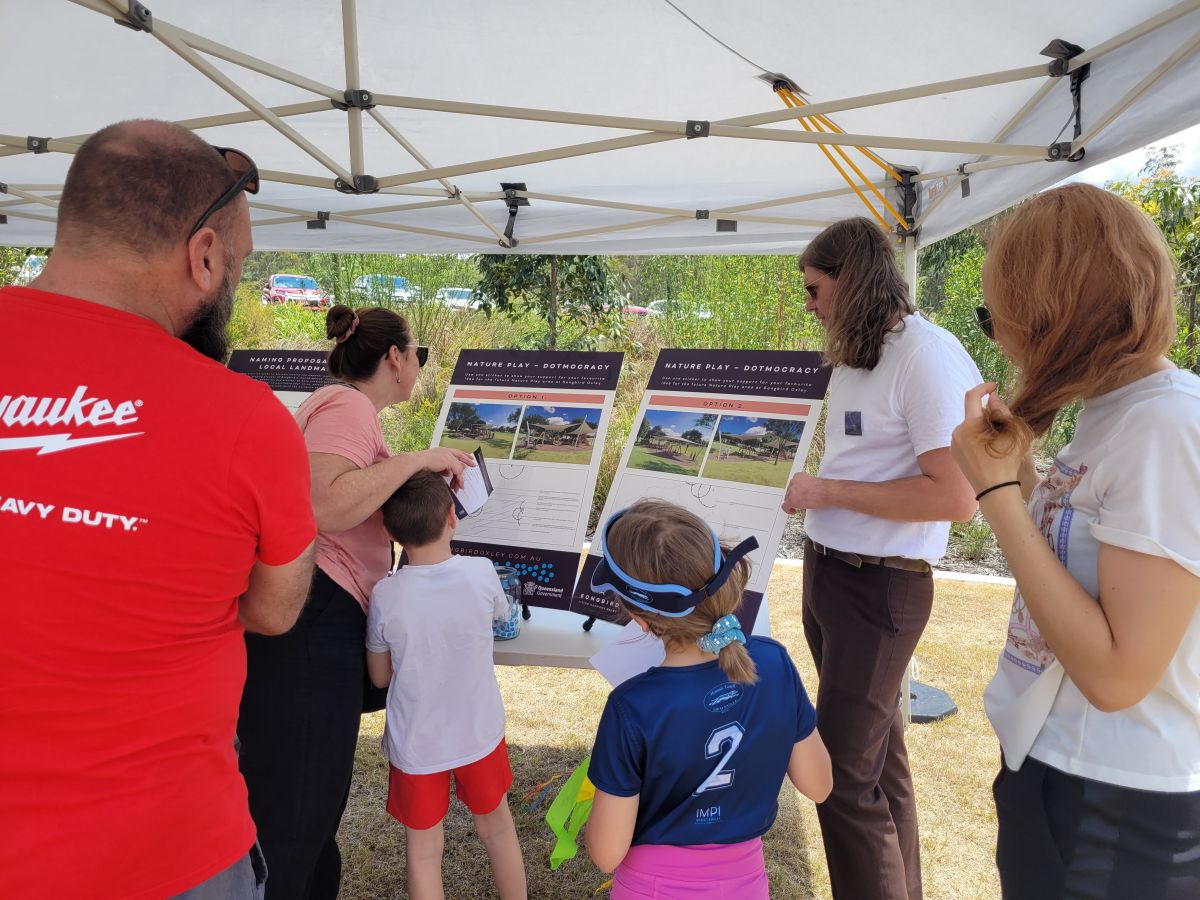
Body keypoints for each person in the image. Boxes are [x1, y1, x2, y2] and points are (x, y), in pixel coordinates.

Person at [0, 120, 317, 898]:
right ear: (204, 255)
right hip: (161, 856)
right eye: (236, 264)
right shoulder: (244, 420)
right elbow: (274, 611)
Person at [950, 183, 1200, 899]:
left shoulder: (1165, 427)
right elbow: (1078, 569)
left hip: (1116, 802)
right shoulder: (1115, 412)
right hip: (1065, 774)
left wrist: (996, 495)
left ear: (1049, 314)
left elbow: (1119, 674)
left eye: (993, 317)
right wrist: (1024, 477)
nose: (997, 337)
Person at [237, 303, 473, 899]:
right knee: (293, 815)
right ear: (394, 358)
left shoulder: (336, 405)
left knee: (308, 808)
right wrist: (418, 459)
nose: (419, 364)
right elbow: (324, 505)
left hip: (313, 621)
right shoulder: (347, 405)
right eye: (419, 352)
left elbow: (345, 502)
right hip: (312, 624)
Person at [781, 217, 980, 899]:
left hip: (880, 589)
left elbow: (956, 497)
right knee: (878, 764)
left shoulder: (927, 357)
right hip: (832, 574)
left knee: (838, 775)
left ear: (851, 279)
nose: (808, 304)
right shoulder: (864, 353)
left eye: (814, 288)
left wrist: (825, 490)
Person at [584, 500, 833, 899]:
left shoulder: (631, 707)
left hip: (651, 887)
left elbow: (606, 853)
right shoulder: (773, 662)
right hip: (746, 885)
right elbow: (819, 786)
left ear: (641, 619)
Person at [366, 471, 527, 900]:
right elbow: (498, 617)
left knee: (423, 853)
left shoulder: (385, 594)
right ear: (452, 517)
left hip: (417, 744)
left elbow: (380, 677)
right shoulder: (481, 573)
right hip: (479, 732)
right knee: (497, 828)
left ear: (388, 530)